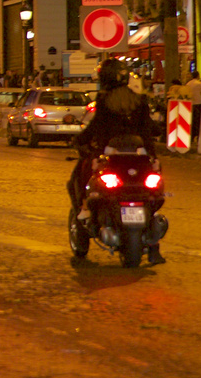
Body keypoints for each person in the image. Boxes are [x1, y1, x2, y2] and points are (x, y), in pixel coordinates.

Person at [70, 57, 164, 262]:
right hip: (139, 159)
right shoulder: (139, 100)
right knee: (153, 191)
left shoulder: (105, 101)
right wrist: (154, 158)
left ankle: (84, 211)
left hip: (110, 158)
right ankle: (154, 246)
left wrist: (84, 145)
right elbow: (147, 131)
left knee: (81, 178)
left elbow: (98, 128)